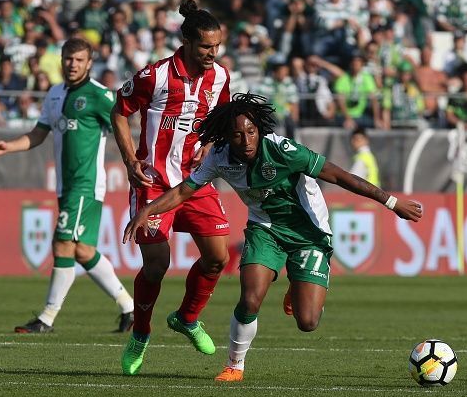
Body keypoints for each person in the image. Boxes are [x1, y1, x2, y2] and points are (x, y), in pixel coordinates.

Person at [122, 93, 424, 382]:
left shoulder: (282, 150)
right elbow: (183, 191)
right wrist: (146, 211)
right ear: (227, 136)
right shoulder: (219, 157)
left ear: (259, 130)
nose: (246, 139)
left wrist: (392, 203)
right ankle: (234, 366)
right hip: (265, 229)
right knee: (250, 298)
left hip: (310, 234)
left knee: (308, 322)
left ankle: (296, 281)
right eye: (238, 134)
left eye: (251, 132)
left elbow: (340, 175)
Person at [111, 0, 231, 376]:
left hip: (196, 183)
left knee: (218, 258)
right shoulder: (155, 75)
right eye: (206, 47)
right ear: (186, 42)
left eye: (217, 46)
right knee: (157, 264)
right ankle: (141, 334)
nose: (213, 54)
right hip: (154, 182)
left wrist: (210, 145)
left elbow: (220, 121)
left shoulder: (221, 78)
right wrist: (131, 162)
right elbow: (119, 111)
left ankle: (186, 318)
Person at [0, 37, 135, 333]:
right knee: (82, 250)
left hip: (86, 183)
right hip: (65, 185)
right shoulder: (55, 94)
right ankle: (129, 308)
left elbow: (123, 123)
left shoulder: (99, 95)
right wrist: (9, 146)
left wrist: (132, 162)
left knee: (62, 245)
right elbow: (38, 134)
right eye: (69, 59)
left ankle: (47, 318)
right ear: (62, 60)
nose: (73, 64)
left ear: (89, 63)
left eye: (79, 60)